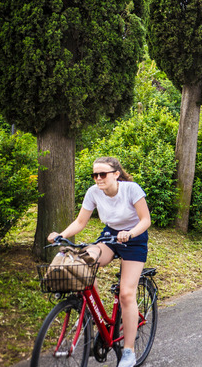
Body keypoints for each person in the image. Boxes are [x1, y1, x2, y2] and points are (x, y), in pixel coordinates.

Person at [47, 157, 151, 367]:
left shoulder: (131, 189)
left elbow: (145, 220)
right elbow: (80, 221)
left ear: (116, 174)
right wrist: (61, 235)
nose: (98, 178)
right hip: (110, 237)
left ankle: (129, 352)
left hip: (134, 239)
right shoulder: (93, 192)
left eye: (103, 174)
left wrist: (130, 233)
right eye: (95, 174)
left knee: (126, 294)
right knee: (83, 263)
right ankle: (94, 316)